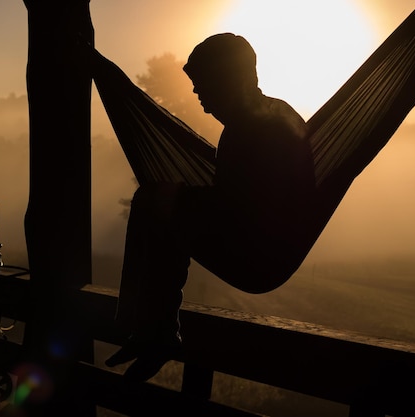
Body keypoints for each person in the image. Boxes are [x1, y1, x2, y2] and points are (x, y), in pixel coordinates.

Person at [105, 33, 316, 381]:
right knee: (156, 202)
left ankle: (150, 331)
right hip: (257, 239)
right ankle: (150, 330)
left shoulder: (264, 127)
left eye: (205, 87)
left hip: (260, 249)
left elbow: (254, 204)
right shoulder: (263, 118)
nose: (200, 99)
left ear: (234, 79)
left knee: (155, 203)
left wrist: (180, 201)